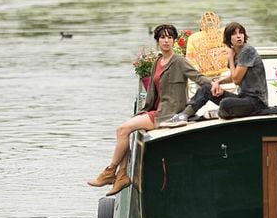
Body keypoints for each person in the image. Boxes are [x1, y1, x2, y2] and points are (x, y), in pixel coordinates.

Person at [88, 23, 212, 195]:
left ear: (174, 41)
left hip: (167, 114)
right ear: (157, 41)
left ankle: (110, 172)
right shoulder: (157, 62)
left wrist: (217, 87)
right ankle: (121, 175)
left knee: (122, 130)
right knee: (125, 131)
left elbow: (199, 78)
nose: (166, 41)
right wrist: (145, 110)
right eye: (162, 37)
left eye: (169, 37)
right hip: (154, 109)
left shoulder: (179, 61)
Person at [171, 21, 268, 121]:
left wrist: (230, 58)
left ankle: (216, 113)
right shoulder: (236, 53)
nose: (239, 36)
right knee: (206, 89)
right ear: (228, 38)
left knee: (226, 103)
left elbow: (236, 80)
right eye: (234, 34)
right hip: (242, 98)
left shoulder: (248, 51)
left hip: (257, 102)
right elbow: (233, 76)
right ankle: (184, 115)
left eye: (241, 33)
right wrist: (217, 83)